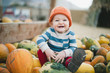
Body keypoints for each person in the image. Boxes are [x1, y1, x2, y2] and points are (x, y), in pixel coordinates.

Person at [37, 6, 86, 73]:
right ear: (52, 23)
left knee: (70, 58)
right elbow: (39, 39)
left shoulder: (71, 34)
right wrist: (47, 50)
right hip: (51, 56)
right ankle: (46, 67)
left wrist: (64, 53)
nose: (60, 22)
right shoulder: (50, 31)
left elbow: (73, 48)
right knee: (40, 51)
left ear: (69, 23)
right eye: (57, 20)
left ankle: (70, 66)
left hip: (64, 58)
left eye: (64, 20)